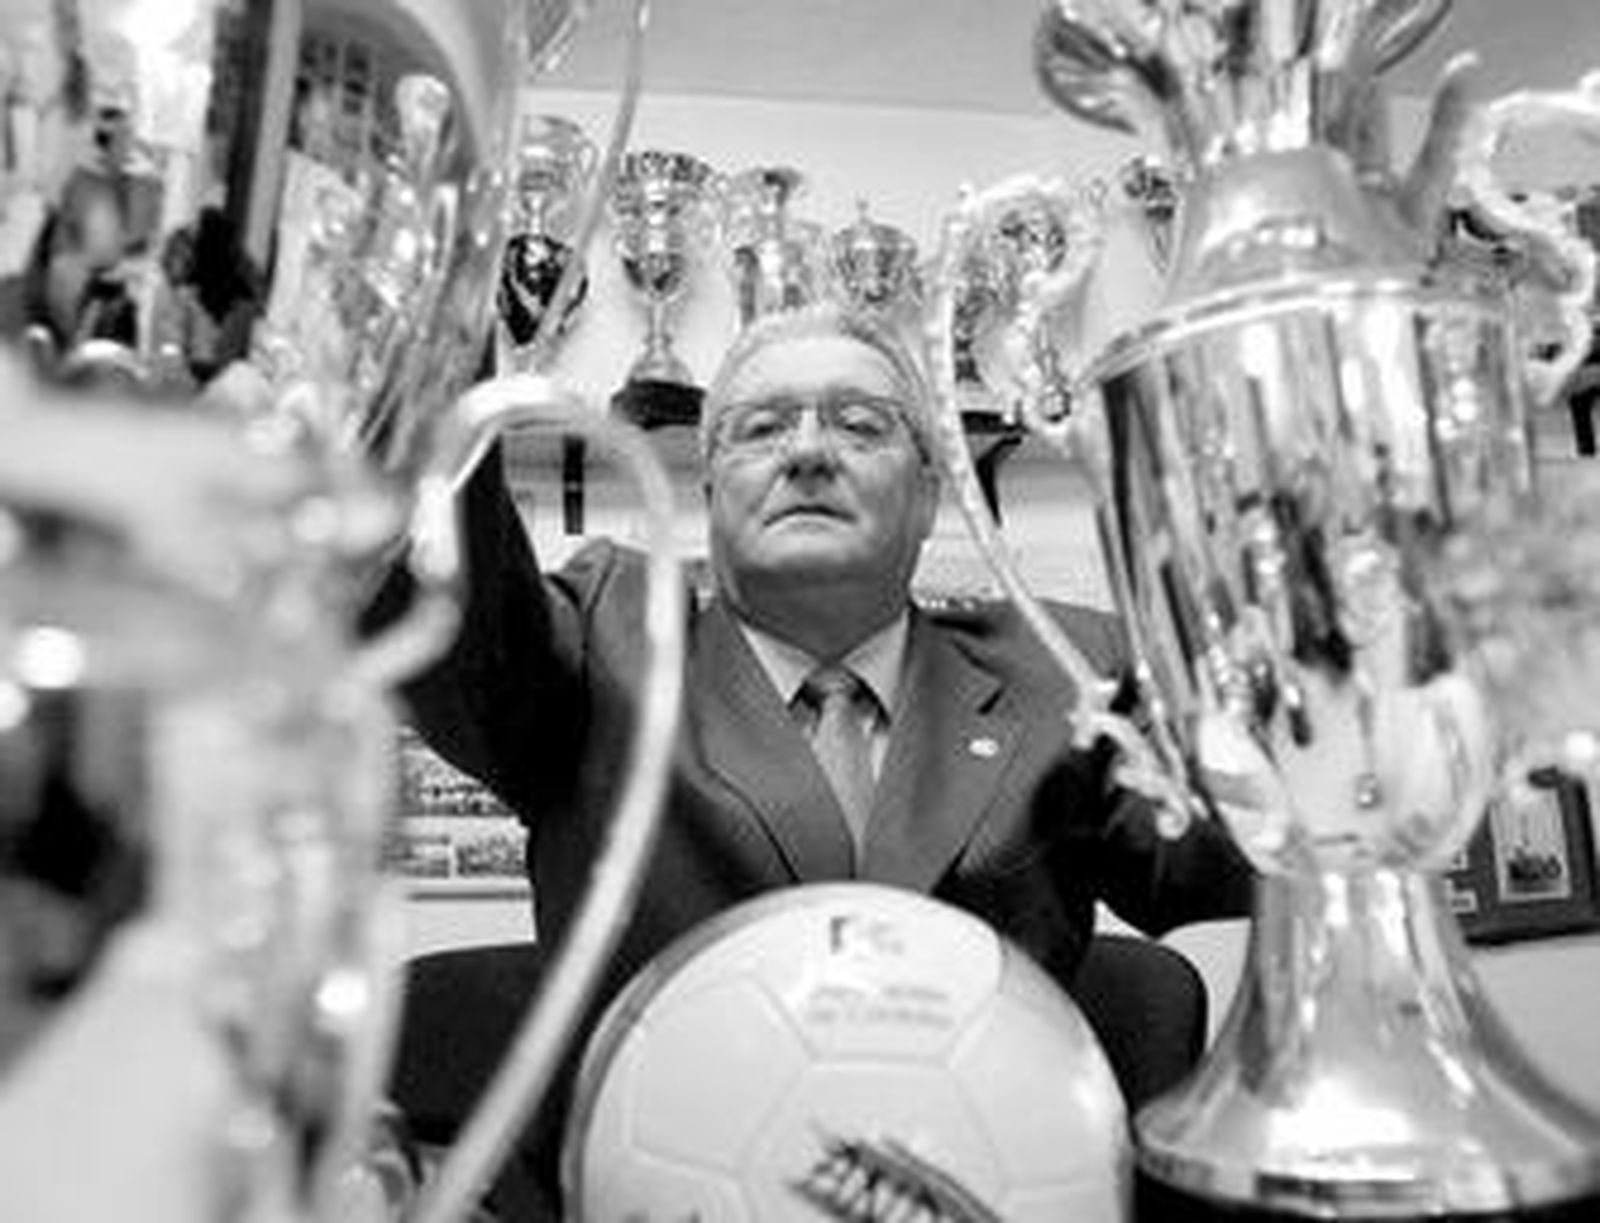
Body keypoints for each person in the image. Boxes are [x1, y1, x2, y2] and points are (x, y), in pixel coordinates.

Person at [384, 302, 1256, 1218]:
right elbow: (455, 614)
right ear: (711, 487)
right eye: (762, 428)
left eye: (859, 423)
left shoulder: (1060, 665)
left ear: (927, 493)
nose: (807, 451)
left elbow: (1260, 845)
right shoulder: (608, 637)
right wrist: (438, 328)